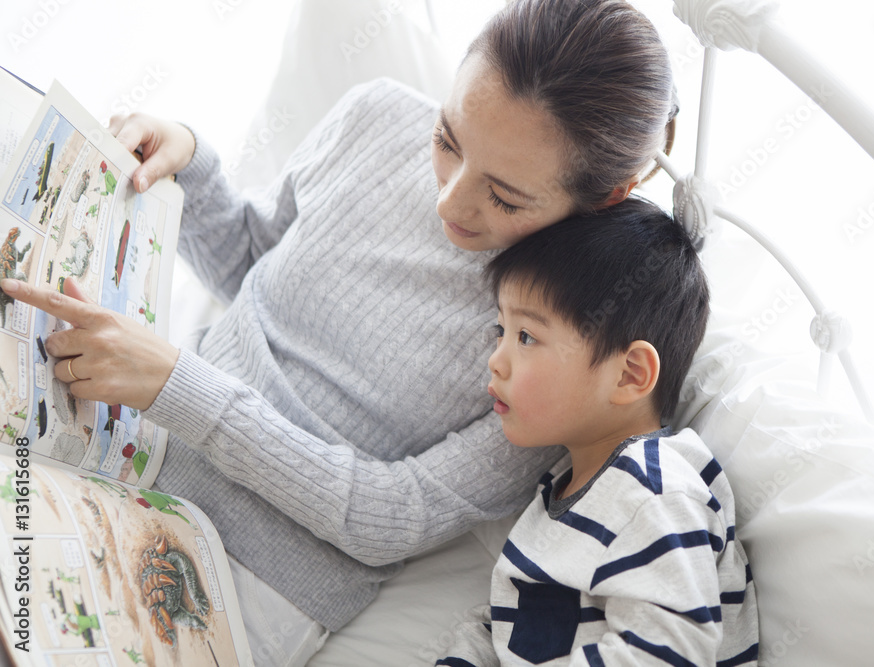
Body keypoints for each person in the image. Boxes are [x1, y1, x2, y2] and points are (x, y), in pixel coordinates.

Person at [1, 0, 680, 664]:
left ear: (607, 195)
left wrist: (182, 387)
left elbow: (392, 519)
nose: (450, 198)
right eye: (447, 139)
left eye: (503, 196)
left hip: (234, 574)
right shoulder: (377, 114)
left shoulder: (561, 338)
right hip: (112, 435)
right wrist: (192, 165)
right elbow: (249, 263)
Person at [435, 198, 758, 666]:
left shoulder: (656, 493)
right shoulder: (565, 491)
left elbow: (669, 653)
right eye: (500, 330)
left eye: (526, 337)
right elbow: (512, 628)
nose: (496, 358)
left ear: (628, 374)